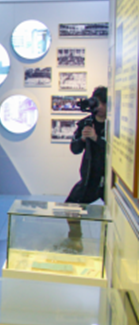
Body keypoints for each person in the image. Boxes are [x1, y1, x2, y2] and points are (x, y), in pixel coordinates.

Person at [63, 86, 108, 251]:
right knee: (70, 206)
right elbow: (74, 149)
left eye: (104, 103)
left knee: (115, 214)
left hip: (110, 179)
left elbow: (117, 151)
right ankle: (75, 241)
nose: (100, 107)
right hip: (90, 178)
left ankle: (112, 247)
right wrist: (82, 139)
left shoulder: (113, 124)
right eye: (98, 103)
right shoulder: (86, 123)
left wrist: (97, 139)